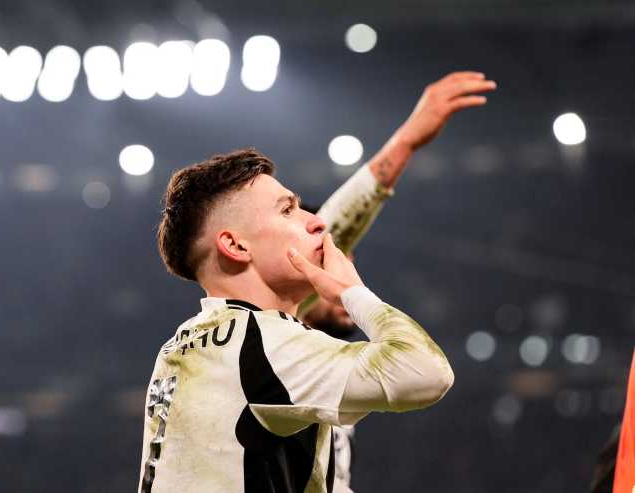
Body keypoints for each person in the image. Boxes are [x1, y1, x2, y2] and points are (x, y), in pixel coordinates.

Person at [138, 72, 496, 493]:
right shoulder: (265, 348)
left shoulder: (187, 346)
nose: (317, 223)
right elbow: (426, 372)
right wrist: (352, 292)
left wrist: (404, 145)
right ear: (235, 245)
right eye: (288, 210)